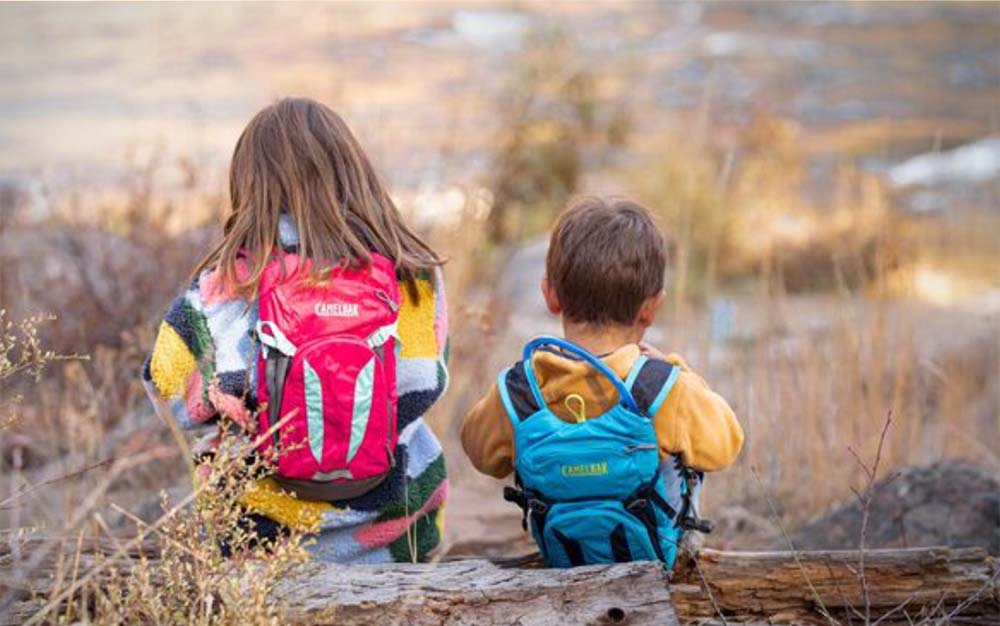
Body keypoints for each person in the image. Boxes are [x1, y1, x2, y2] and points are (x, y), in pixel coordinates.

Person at [142, 97, 449, 564]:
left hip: (259, 546)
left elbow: (166, 392)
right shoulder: (408, 270)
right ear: (354, 171)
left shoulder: (228, 282)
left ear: (250, 186)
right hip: (394, 531)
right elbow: (425, 381)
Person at [461, 196, 743, 568]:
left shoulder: (520, 393)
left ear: (551, 296)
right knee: (686, 457)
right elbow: (727, 443)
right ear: (652, 307)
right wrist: (679, 370)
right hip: (656, 562)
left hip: (562, 554)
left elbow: (479, 452)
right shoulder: (665, 388)